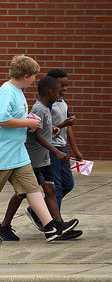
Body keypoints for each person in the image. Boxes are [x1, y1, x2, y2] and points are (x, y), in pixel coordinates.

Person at [0, 55, 78, 245]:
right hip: (0, 153)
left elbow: (15, 118)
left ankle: (50, 227)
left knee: (31, 188)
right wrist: (28, 122)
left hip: (17, 153)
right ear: (26, 75)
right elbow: (2, 119)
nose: (35, 79)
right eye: (34, 75)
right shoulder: (7, 92)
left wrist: (28, 124)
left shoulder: (17, 91)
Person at [0, 76, 81, 241]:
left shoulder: (47, 107)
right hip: (35, 159)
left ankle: (58, 225)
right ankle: (4, 226)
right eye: (57, 90)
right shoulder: (39, 108)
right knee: (22, 193)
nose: (59, 94)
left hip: (44, 158)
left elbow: (43, 129)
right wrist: (56, 151)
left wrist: (56, 127)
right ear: (50, 92)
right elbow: (37, 136)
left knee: (51, 190)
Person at [45, 68, 83, 211]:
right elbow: (43, 129)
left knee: (68, 184)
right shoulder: (47, 105)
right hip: (52, 150)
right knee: (57, 187)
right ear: (51, 87)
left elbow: (68, 127)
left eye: (67, 85)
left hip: (63, 149)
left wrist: (75, 150)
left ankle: (38, 211)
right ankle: (56, 222)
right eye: (62, 86)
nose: (65, 89)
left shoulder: (63, 102)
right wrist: (63, 124)